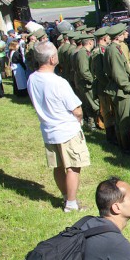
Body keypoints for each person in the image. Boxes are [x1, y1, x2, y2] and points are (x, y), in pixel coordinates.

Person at [26, 41, 91, 212]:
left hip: (48, 128)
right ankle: (71, 203)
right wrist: (80, 118)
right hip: (66, 129)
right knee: (73, 166)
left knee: (58, 166)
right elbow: (76, 109)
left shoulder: (32, 78)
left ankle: (65, 197)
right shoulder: (58, 82)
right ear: (52, 59)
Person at [104, 23, 130, 155]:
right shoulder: (114, 51)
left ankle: (123, 147)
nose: (126, 34)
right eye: (124, 33)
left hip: (118, 89)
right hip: (121, 91)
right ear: (118, 36)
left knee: (120, 121)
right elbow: (118, 74)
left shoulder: (113, 49)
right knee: (124, 122)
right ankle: (126, 150)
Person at [72, 33, 100, 129]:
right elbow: (84, 71)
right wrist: (93, 81)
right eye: (92, 41)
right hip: (87, 84)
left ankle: (92, 124)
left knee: (90, 105)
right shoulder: (83, 53)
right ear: (89, 42)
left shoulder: (84, 52)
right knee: (94, 105)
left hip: (85, 83)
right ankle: (95, 124)